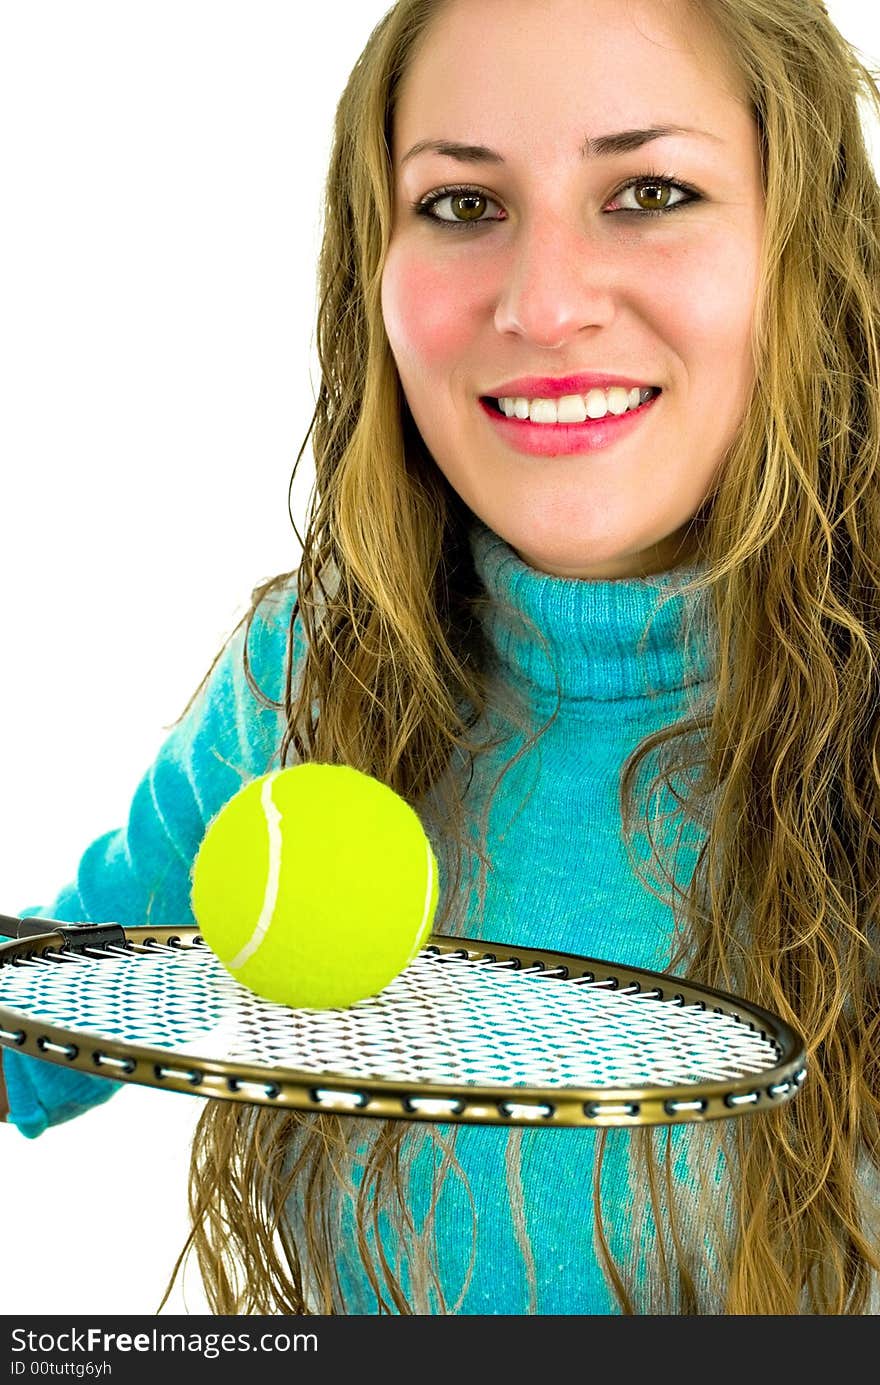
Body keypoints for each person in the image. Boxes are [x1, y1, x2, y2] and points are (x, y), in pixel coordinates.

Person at [2, 0, 879, 1315]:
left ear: (803, 239)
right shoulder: (303, 684)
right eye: (463, 205)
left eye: (648, 189)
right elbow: (50, 1018)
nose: (544, 304)